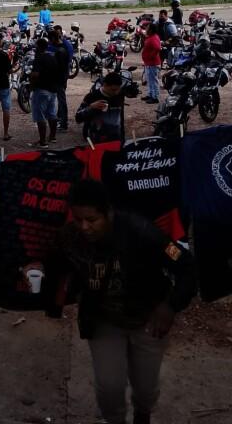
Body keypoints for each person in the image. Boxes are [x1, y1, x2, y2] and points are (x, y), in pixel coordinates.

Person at [33, 179, 196, 424]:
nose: (84, 227)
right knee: (109, 387)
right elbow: (55, 263)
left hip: (147, 319)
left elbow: (187, 266)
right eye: (78, 219)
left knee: (146, 387)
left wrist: (170, 306)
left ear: (108, 213)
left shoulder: (142, 231)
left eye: (92, 220)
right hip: (102, 319)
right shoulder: (70, 237)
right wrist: (38, 267)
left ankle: (142, 416)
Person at [30, 37, 65, 148]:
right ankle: (52, 137)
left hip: (41, 89)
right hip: (52, 90)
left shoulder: (38, 58)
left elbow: (35, 74)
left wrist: (31, 84)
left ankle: (42, 142)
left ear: (38, 47)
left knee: (40, 116)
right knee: (52, 114)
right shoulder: (52, 57)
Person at [75, 71, 126, 144]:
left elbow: (121, 117)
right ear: (105, 85)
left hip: (116, 140)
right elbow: (78, 118)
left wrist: (122, 138)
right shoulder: (92, 96)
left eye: (118, 89)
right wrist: (91, 107)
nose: (116, 92)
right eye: (113, 90)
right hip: (97, 141)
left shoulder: (119, 95)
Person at [51, 26, 73, 132]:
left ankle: (63, 123)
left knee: (61, 99)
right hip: (59, 76)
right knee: (59, 99)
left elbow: (66, 63)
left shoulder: (65, 47)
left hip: (60, 77)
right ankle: (60, 118)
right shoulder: (56, 46)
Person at [141, 23, 162, 105]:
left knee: (153, 80)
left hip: (152, 63)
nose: (146, 29)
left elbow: (157, 48)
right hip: (149, 63)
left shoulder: (153, 38)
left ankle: (155, 97)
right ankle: (150, 94)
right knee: (149, 80)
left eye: (148, 28)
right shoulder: (151, 37)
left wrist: (151, 56)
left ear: (151, 30)